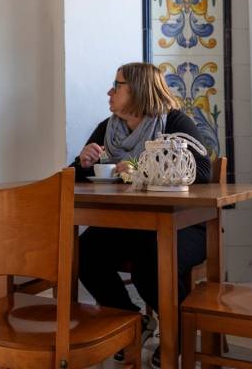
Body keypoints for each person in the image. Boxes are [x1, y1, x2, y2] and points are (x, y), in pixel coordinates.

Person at [70, 62, 211, 368]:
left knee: (152, 262)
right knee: (84, 253)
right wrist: (80, 162)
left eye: (117, 85)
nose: (110, 91)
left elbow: (202, 172)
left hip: (185, 226)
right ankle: (132, 323)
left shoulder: (173, 122)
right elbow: (73, 178)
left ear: (137, 90)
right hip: (133, 225)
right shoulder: (109, 128)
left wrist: (142, 166)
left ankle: (177, 335)